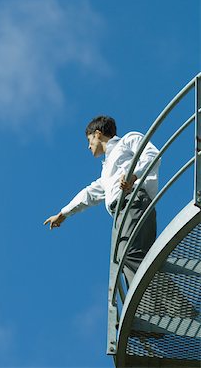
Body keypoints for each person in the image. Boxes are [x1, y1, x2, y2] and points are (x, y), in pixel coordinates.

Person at [43, 115, 160, 287]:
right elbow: (88, 194)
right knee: (126, 259)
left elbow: (152, 154)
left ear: (98, 134)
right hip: (121, 212)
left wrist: (134, 176)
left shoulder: (127, 140)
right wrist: (63, 214)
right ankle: (158, 303)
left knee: (128, 255)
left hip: (133, 201)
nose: (88, 146)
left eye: (89, 140)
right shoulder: (106, 172)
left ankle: (156, 302)